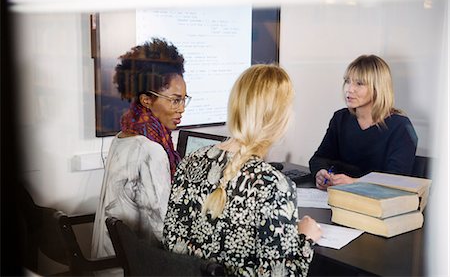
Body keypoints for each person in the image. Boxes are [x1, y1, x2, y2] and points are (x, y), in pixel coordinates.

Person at [163, 64, 322, 277]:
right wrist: (305, 239)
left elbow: (170, 242)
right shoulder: (273, 185)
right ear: (280, 119)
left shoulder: (190, 160)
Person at [91, 38, 190, 262]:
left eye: (184, 100)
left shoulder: (123, 136)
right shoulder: (152, 151)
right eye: (175, 101)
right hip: (130, 266)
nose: (181, 109)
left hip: (107, 262)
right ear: (146, 99)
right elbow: (164, 230)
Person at [310, 54, 418, 190]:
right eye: (348, 81)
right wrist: (321, 173)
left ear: (377, 88)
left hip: (376, 206)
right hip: (339, 198)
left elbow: (396, 180)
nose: (349, 89)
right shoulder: (340, 118)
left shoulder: (400, 127)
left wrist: (355, 183)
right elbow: (319, 158)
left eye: (359, 84)